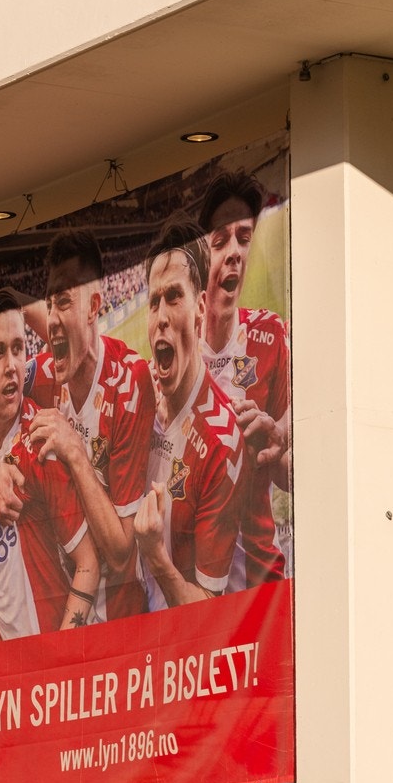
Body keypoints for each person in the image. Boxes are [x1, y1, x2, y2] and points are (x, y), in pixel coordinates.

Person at [0, 230, 155, 618]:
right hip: (69, 608)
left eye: (63, 302)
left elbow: (120, 553)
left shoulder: (129, 383)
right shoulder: (46, 373)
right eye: (48, 305)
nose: (51, 320)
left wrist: (75, 452)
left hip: (124, 612)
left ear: (94, 306)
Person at [0, 289, 102, 640]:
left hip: (57, 664)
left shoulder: (41, 445)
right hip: (9, 671)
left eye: (18, 348)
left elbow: (88, 565)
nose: (12, 365)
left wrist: (59, 654)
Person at [133, 218, 246, 609]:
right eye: (153, 301)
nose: (160, 316)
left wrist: (155, 556)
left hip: (186, 659)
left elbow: (207, 613)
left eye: (174, 297)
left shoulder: (221, 441)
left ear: (200, 307)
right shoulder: (139, 402)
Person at [197, 168, 291, 584]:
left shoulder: (271, 337)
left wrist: (278, 447)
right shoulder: (174, 359)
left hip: (261, 582)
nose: (235, 251)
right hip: (194, 593)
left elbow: (293, 476)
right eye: (221, 240)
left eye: (245, 238)